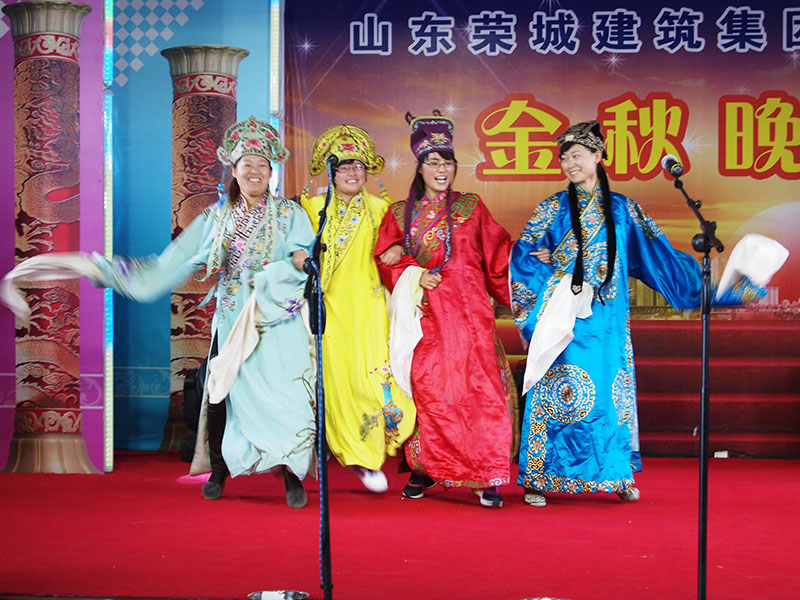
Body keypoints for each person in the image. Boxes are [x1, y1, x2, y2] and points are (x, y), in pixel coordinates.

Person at [17, 116, 317, 508]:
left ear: (271, 171)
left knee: (288, 392)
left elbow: (300, 251)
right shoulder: (215, 218)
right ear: (234, 169)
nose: (255, 171)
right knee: (220, 392)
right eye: (248, 163)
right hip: (232, 317)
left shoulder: (290, 213)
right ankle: (220, 470)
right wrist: (106, 270)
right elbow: (171, 263)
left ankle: (292, 474)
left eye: (263, 164)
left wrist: (304, 261)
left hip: (275, 316)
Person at [509, 120, 786, 507]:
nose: (570, 164)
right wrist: (557, 269)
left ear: (598, 156)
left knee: (609, 399)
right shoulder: (551, 209)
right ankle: (540, 477)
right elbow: (524, 257)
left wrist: (705, 288)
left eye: (577, 155)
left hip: (609, 322)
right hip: (565, 322)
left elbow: (660, 257)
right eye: (564, 158)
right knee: (560, 396)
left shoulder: (624, 210)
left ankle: (616, 474)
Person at [374, 111, 517, 508]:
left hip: (471, 316)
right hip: (427, 317)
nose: (442, 169)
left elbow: (499, 254)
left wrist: (533, 263)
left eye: (448, 162)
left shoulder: (471, 206)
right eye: (433, 162)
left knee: (478, 393)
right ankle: (426, 468)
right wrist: (414, 273)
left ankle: (485, 473)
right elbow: (385, 259)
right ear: (419, 167)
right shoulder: (399, 213)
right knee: (431, 391)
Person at [299, 125, 415, 492]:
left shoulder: (381, 209)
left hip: (371, 309)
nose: (352, 173)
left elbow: (401, 249)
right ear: (331, 173)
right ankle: (360, 458)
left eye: (358, 166)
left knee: (380, 382)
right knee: (341, 385)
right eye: (344, 166)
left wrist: (397, 249)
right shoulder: (313, 209)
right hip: (330, 311)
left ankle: (375, 447)